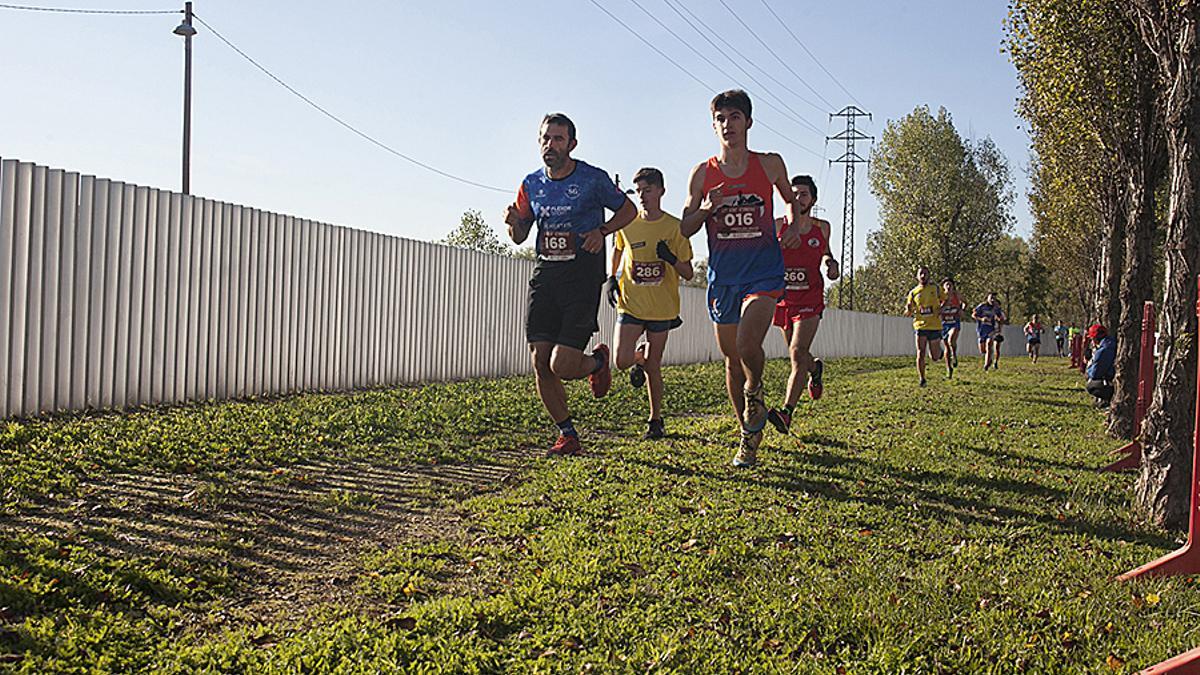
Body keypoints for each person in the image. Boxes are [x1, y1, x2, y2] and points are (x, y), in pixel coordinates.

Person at [680, 89, 803, 468]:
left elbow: (789, 199)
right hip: (724, 277)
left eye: (735, 116)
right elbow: (685, 227)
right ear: (713, 125)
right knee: (732, 358)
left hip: (763, 270)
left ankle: (755, 388)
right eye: (721, 118)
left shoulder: (768, 164)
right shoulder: (702, 173)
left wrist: (795, 223)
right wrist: (706, 209)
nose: (727, 124)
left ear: (748, 122)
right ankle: (748, 436)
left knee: (749, 343)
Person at [505, 113, 636, 457]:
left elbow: (629, 210)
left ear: (572, 144)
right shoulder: (531, 184)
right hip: (546, 276)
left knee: (561, 364)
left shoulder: (593, 179)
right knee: (539, 361)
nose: (550, 145)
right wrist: (513, 224)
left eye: (558, 139)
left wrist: (602, 232)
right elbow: (519, 235)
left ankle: (597, 363)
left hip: (581, 276)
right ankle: (567, 434)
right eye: (545, 138)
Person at [606, 167, 694, 439]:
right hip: (631, 302)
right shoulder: (628, 223)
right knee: (620, 360)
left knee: (654, 366)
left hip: (661, 307)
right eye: (638, 191)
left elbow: (689, 273)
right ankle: (638, 358)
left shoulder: (675, 227)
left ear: (661, 191)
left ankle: (655, 420)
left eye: (648, 190)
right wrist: (611, 277)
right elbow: (617, 249)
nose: (642, 196)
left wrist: (670, 258)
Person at [764, 175, 839, 435]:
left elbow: (826, 251)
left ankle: (786, 413)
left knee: (796, 353)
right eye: (793, 193)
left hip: (810, 299)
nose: (798, 198)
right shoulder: (776, 226)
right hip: (784, 299)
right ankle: (815, 369)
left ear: (813, 199)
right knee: (799, 356)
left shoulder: (822, 227)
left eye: (803, 194)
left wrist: (831, 262)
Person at [904, 266, 947, 386]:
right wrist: (908, 310)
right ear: (917, 276)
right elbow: (908, 309)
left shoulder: (936, 288)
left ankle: (939, 353)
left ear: (929, 275)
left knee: (934, 357)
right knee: (920, 352)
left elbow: (945, 300)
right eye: (921, 274)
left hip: (934, 325)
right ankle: (922, 379)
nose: (923, 276)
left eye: (925, 274)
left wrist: (942, 309)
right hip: (920, 325)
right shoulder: (913, 292)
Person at [972, 292, 1007, 370]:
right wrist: (981, 319)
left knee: (989, 345)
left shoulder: (996, 308)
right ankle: (989, 358)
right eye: (991, 298)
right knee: (983, 350)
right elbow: (974, 315)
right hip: (981, 329)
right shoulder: (982, 306)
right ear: (987, 298)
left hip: (991, 330)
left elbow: (1001, 317)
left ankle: (986, 365)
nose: (992, 300)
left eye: (994, 299)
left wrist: (1000, 320)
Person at [1085, 324, 1116, 406]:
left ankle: (1106, 400)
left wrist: (1089, 367)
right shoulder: (1113, 343)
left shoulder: (1102, 351)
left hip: (1110, 380)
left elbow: (1095, 373)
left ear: (1095, 338)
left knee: (1091, 386)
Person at [939, 278, 965, 370]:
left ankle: (954, 355)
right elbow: (937, 310)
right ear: (943, 287)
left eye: (950, 285)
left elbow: (965, 302)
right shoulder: (940, 296)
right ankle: (948, 367)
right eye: (947, 285)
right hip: (944, 323)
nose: (949, 287)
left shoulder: (956, 295)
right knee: (946, 345)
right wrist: (944, 305)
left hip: (954, 322)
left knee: (951, 340)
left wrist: (962, 310)